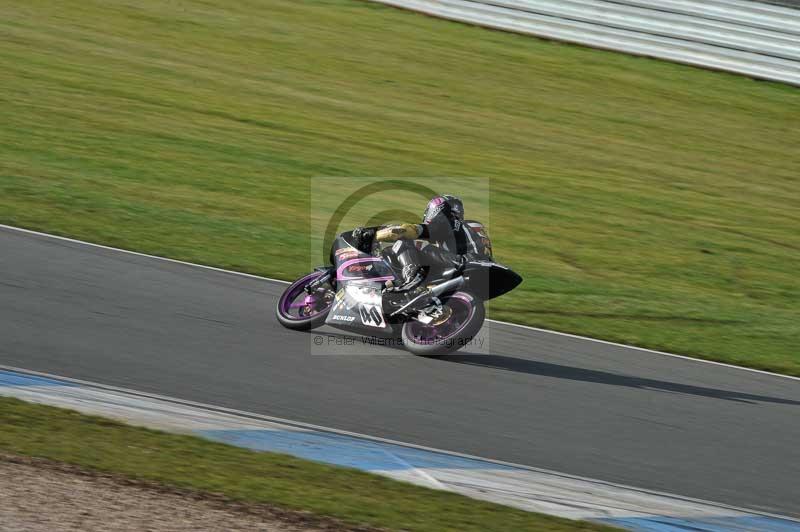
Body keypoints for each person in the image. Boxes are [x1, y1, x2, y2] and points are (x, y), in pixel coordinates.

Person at [351, 195, 492, 315]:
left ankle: (411, 282)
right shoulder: (467, 228)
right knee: (420, 259)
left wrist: (374, 234)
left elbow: (407, 231)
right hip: (476, 268)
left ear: (436, 208)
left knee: (406, 242)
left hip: (463, 262)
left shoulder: (447, 221)